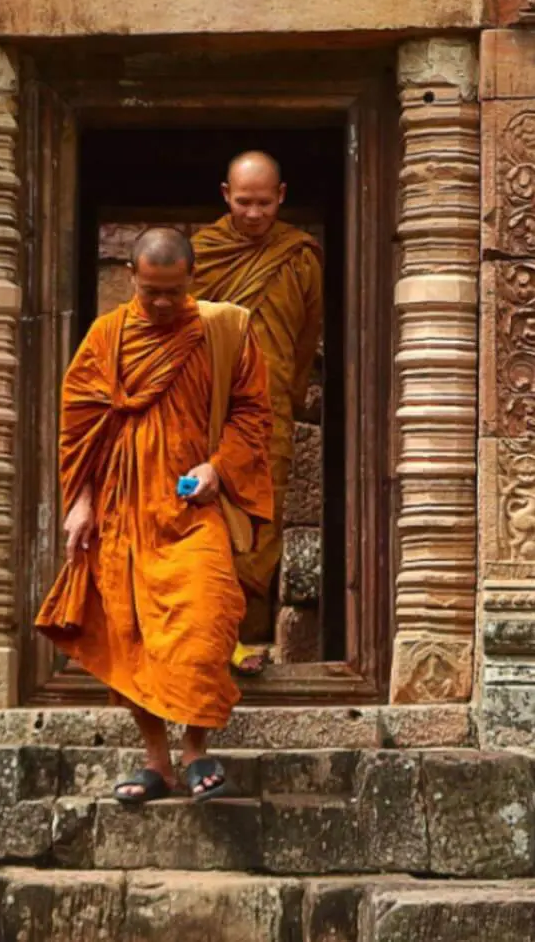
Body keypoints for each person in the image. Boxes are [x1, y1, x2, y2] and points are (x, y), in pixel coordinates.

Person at [35, 226, 274, 803]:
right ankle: (156, 763)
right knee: (134, 636)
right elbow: (80, 427)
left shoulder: (226, 331)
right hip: (123, 511)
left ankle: (196, 751)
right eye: (150, 293)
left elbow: (253, 414)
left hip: (194, 509)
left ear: (191, 279)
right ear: (131, 281)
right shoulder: (107, 337)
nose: (162, 304)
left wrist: (219, 467)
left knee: (205, 621)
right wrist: (81, 503)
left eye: (171, 291)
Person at [191, 151, 323, 677]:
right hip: (206, 418)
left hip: (269, 418)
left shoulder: (299, 258)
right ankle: (200, 639)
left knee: (261, 527)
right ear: (226, 195)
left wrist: (284, 401)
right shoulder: (200, 255)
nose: (253, 214)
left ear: (282, 196)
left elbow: (305, 335)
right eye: (243, 202)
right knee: (204, 524)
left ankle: (245, 640)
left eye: (264, 203)